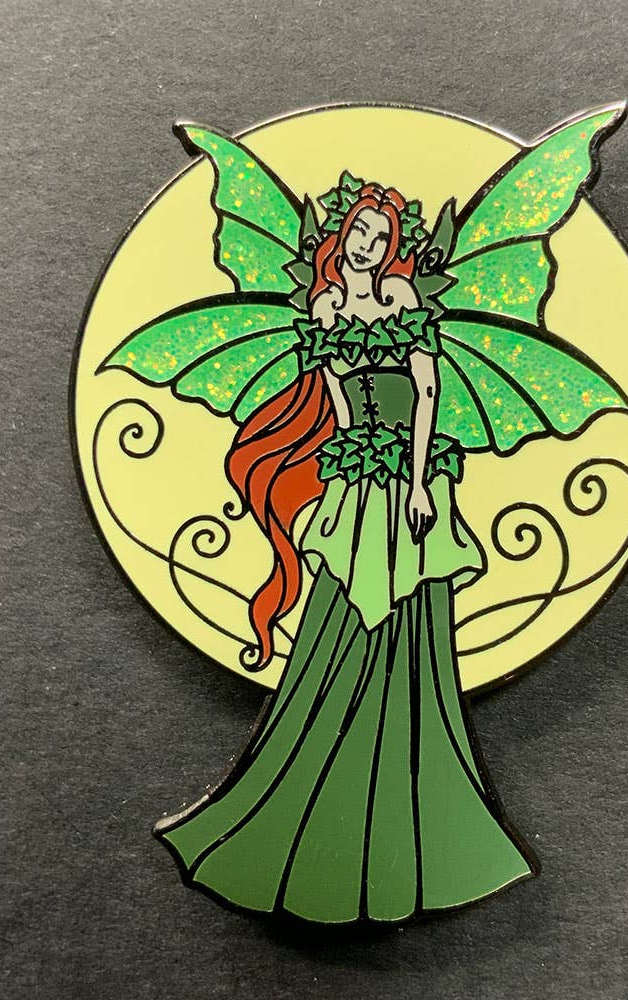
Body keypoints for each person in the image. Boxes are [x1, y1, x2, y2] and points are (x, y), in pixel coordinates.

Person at [155, 182, 537, 923]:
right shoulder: (325, 308)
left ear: (393, 246)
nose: (368, 244)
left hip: (410, 482)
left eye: (381, 235)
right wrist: (331, 468)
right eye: (360, 231)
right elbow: (333, 400)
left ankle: (422, 808)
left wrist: (419, 481)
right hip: (355, 479)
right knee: (337, 623)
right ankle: (306, 788)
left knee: (411, 634)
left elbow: (426, 393)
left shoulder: (403, 298)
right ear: (342, 236)